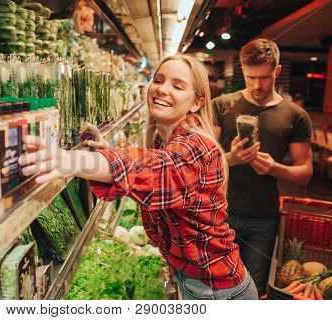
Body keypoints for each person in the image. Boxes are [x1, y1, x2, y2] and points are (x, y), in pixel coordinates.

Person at [19, 54, 258, 300]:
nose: (162, 89)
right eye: (159, 80)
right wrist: (107, 151)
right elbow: (149, 165)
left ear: (196, 103)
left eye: (177, 86)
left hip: (219, 292)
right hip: (196, 282)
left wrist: (71, 160)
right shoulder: (163, 136)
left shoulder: (195, 145)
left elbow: (155, 169)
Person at [212, 38, 313, 296]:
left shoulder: (295, 115)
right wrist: (231, 158)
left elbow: (305, 172)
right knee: (216, 288)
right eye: (251, 76)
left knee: (254, 293)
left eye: (265, 77)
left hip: (263, 218)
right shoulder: (222, 106)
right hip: (220, 213)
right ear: (242, 70)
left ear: (277, 71)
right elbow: (204, 162)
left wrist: (274, 168)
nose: (257, 85)